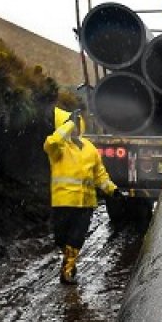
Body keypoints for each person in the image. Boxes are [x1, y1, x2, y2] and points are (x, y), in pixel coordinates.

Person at [44, 107, 120, 284]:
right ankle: (69, 258)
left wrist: (112, 189)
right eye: (71, 125)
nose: (76, 128)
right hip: (63, 202)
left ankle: (68, 270)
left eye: (77, 124)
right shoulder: (58, 148)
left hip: (85, 204)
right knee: (60, 238)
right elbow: (53, 142)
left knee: (76, 238)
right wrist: (69, 122)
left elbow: (100, 175)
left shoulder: (90, 148)